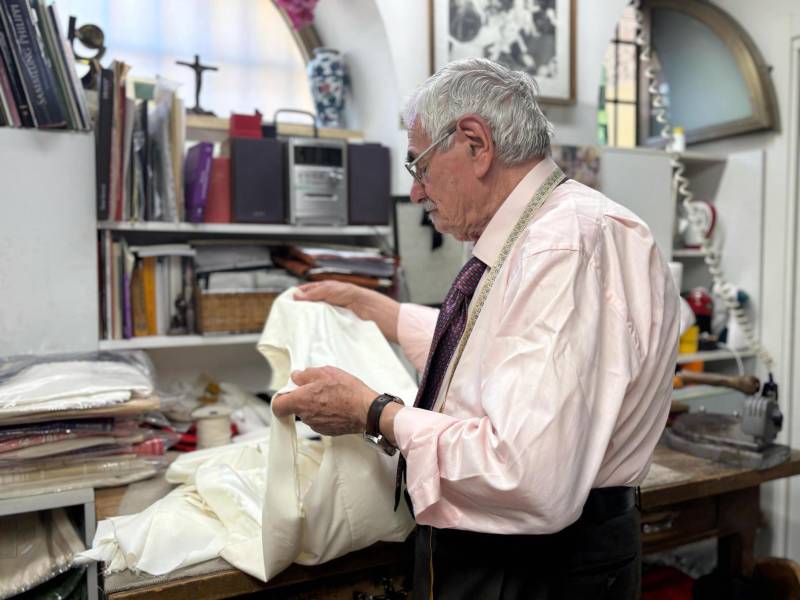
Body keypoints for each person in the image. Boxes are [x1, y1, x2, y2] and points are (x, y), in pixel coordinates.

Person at [271, 57, 679, 599]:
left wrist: (374, 413)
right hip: (529, 557)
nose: (417, 192)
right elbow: (497, 347)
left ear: (474, 142)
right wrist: (383, 313)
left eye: (419, 167)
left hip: (538, 567)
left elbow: (524, 473)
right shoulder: (550, 227)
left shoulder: (561, 247)